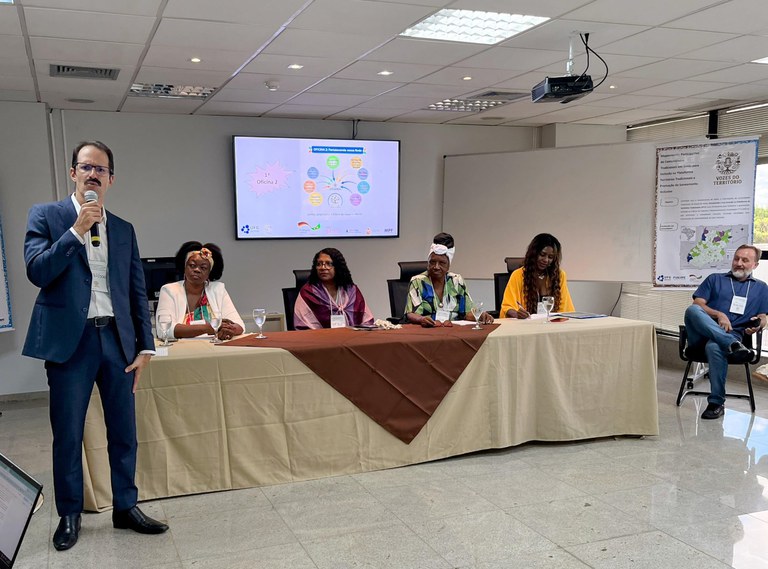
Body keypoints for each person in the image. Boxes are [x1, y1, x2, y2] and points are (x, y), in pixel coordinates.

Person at [23, 141, 168, 552]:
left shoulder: (124, 228)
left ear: (111, 179)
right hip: (72, 343)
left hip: (117, 342)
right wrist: (76, 232)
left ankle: (126, 506)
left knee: (124, 431)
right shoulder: (47, 216)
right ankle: (69, 514)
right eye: (86, 167)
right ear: (73, 173)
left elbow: (136, 292)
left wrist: (145, 346)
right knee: (67, 433)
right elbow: (37, 271)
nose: (93, 175)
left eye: (101, 170)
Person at [683, 244, 768, 420]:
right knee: (692, 311)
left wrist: (759, 324)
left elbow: (763, 316)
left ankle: (716, 403)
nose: (739, 263)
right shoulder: (715, 279)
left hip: (734, 334)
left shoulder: (761, 288)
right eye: (736, 258)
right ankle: (732, 345)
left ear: (755, 265)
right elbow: (698, 304)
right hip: (702, 333)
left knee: (715, 347)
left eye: (745, 260)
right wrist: (718, 314)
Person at [155, 242, 244, 340]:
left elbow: (239, 325)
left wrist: (228, 329)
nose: (197, 270)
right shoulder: (169, 290)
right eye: (192, 265)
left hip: (214, 349)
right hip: (182, 350)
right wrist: (208, 328)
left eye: (203, 268)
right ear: (184, 267)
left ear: (209, 273)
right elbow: (164, 330)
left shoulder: (218, 289)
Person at [405, 232, 493, 326]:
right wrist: (421, 319)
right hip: (428, 330)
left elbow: (467, 313)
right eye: (432, 262)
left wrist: (480, 316)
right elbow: (410, 313)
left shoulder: (457, 281)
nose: (436, 267)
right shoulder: (418, 281)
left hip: (454, 330)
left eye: (442, 263)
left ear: (448, 265)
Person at [294, 247, 375, 329]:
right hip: (319, 339)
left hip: (352, 339)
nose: (323, 267)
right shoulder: (308, 292)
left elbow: (366, 320)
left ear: (338, 267)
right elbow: (304, 326)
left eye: (329, 264)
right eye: (319, 264)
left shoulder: (351, 290)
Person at [501, 233, 575, 319]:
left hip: (553, 326)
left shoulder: (559, 275)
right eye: (542, 255)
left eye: (550, 257)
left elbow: (565, 308)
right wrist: (517, 314)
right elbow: (507, 307)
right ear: (534, 253)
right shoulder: (518, 275)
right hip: (526, 326)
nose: (546, 260)